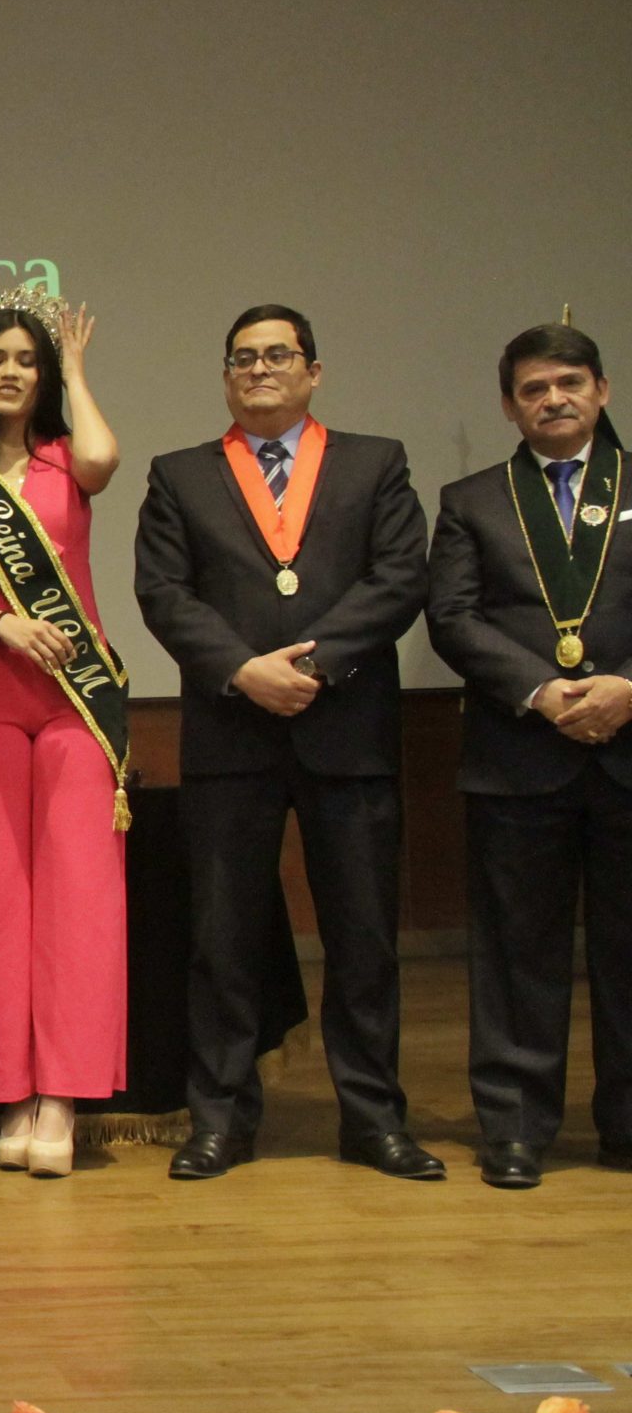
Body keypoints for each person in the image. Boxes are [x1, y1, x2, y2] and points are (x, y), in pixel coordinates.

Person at [133, 304, 435, 1181]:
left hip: (349, 731)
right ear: (226, 376)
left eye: (279, 355)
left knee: (364, 938)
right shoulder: (181, 474)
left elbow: (399, 576)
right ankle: (221, 1119)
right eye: (243, 357)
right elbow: (163, 592)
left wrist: (318, 661)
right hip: (232, 731)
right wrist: (242, 669)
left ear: (313, 370)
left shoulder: (374, 462)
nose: (261, 368)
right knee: (223, 939)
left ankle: (374, 1118)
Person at [425, 323, 632, 1189]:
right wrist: (545, 692)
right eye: (535, 388)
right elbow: (454, 616)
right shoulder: (473, 499)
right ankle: (514, 1127)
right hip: (518, 751)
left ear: (602, 390)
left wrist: (627, 685)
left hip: (629, 742)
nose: (554, 399)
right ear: (509, 405)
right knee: (518, 954)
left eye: (570, 383)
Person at [0, 300, 127, 1178]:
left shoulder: (66, 463)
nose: (11, 373)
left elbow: (104, 457)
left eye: (27, 361)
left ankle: (65, 1096)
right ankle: (12, 1089)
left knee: (80, 896)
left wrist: (77, 369)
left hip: (76, 700)